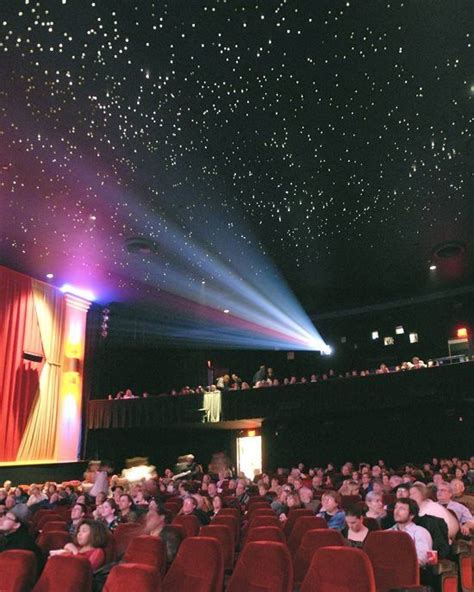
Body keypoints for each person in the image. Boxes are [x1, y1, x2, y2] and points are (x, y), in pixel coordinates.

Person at [391, 498, 432, 566]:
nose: (396, 512)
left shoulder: (420, 532)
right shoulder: (387, 532)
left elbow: (422, 558)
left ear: (411, 515)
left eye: (402, 509)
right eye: (396, 508)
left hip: (410, 571)